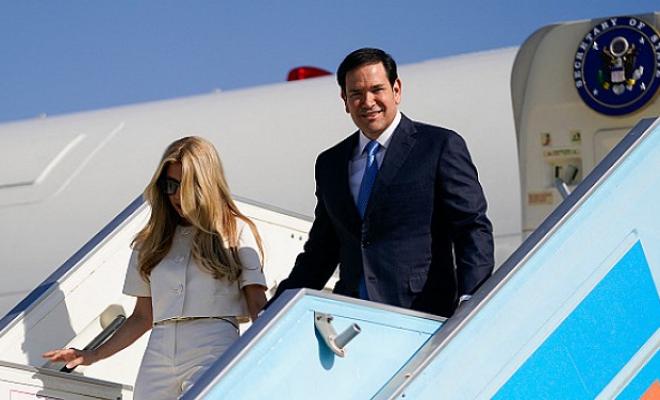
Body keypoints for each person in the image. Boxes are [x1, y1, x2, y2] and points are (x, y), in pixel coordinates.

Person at [273, 48, 494, 317]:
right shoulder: (331, 163)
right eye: (356, 93)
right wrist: (275, 309)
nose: (368, 102)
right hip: (352, 316)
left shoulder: (438, 146)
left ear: (396, 90)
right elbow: (322, 250)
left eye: (377, 89)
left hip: (422, 313)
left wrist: (471, 299)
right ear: (345, 100)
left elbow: (471, 228)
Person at [43, 136, 267, 399]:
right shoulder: (151, 240)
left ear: (204, 184)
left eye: (184, 186)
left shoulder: (235, 229)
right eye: (169, 185)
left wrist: (268, 356)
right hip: (159, 348)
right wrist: (93, 355)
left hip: (214, 342)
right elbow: (142, 316)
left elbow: (257, 303)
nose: (175, 196)